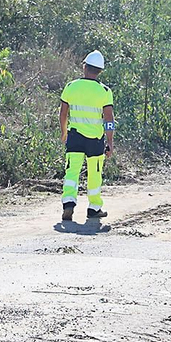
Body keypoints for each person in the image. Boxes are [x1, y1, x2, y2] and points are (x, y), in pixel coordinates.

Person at [60, 50, 115, 223]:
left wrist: (64, 133)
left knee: (72, 171)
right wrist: (110, 142)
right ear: (100, 71)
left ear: (84, 67)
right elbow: (109, 119)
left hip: (75, 137)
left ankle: (69, 203)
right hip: (95, 140)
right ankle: (94, 208)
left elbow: (63, 113)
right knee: (95, 173)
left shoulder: (71, 86)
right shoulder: (105, 91)